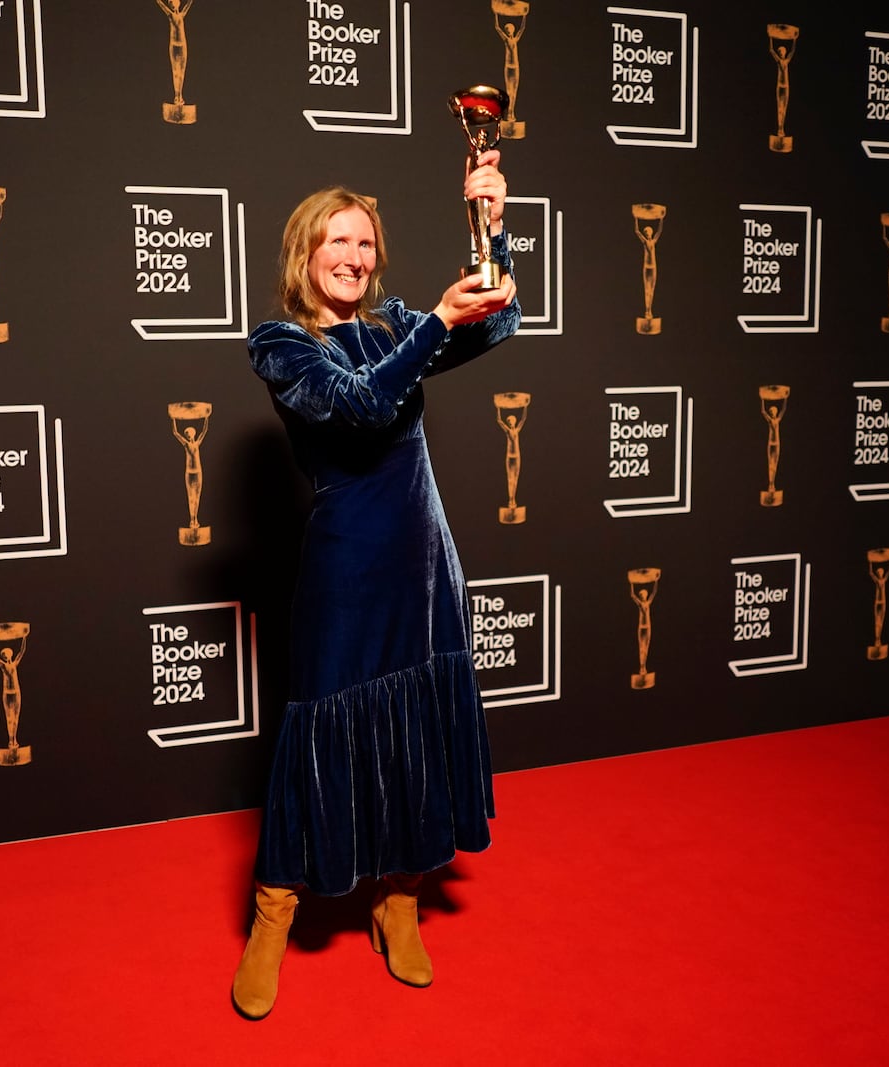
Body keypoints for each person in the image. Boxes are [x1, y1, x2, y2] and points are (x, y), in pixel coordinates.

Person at [231, 152, 520, 1020]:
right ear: (304, 254)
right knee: (320, 738)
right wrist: (433, 321)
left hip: (424, 565)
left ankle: (400, 902)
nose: (353, 255)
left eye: (364, 241)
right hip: (346, 570)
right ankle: (273, 919)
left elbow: (500, 324)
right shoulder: (282, 344)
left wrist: (492, 224)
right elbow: (358, 407)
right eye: (336, 240)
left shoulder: (396, 321)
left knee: (418, 739)